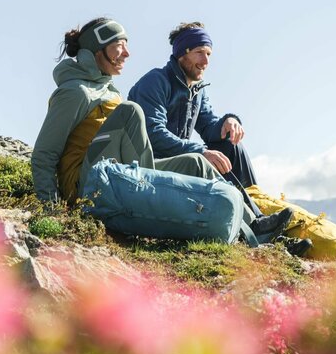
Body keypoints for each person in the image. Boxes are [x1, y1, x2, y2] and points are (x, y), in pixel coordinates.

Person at [31, 17, 294, 244]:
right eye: (119, 46)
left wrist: (229, 121)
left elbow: (208, 124)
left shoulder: (109, 91)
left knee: (196, 163)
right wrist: (53, 212)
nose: (127, 54)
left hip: (118, 173)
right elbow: (44, 154)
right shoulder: (74, 92)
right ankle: (148, 190)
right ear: (96, 50)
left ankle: (257, 228)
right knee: (131, 111)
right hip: (85, 184)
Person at [128, 21, 312, 256]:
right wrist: (201, 151)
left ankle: (266, 228)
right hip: (153, 162)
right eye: (200, 53)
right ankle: (257, 224)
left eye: (209, 54)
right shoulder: (155, 82)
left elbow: (208, 125)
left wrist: (228, 121)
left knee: (229, 144)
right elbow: (153, 135)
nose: (206, 61)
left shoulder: (196, 89)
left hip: (183, 157)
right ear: (182, 53)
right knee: (205, 158)